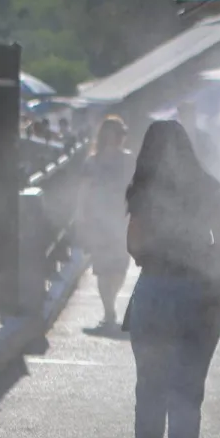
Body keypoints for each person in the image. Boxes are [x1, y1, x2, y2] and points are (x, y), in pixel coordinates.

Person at [122, 119, 220, 438]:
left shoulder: (143, 192)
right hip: (198, 299)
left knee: (150, 389)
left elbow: (134, 245)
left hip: (154, 295)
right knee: (188, 395)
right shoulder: (207, 190)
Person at [82, 116, 133, 329]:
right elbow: (84, 191)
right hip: (99, 219)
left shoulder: (128, 159)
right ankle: (109, 310)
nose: (115, 138)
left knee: (120, 267)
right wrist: (82, 216)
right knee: (103, 267)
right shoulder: (92, 161)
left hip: (122, 219)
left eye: (118, 133)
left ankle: (110, 303)